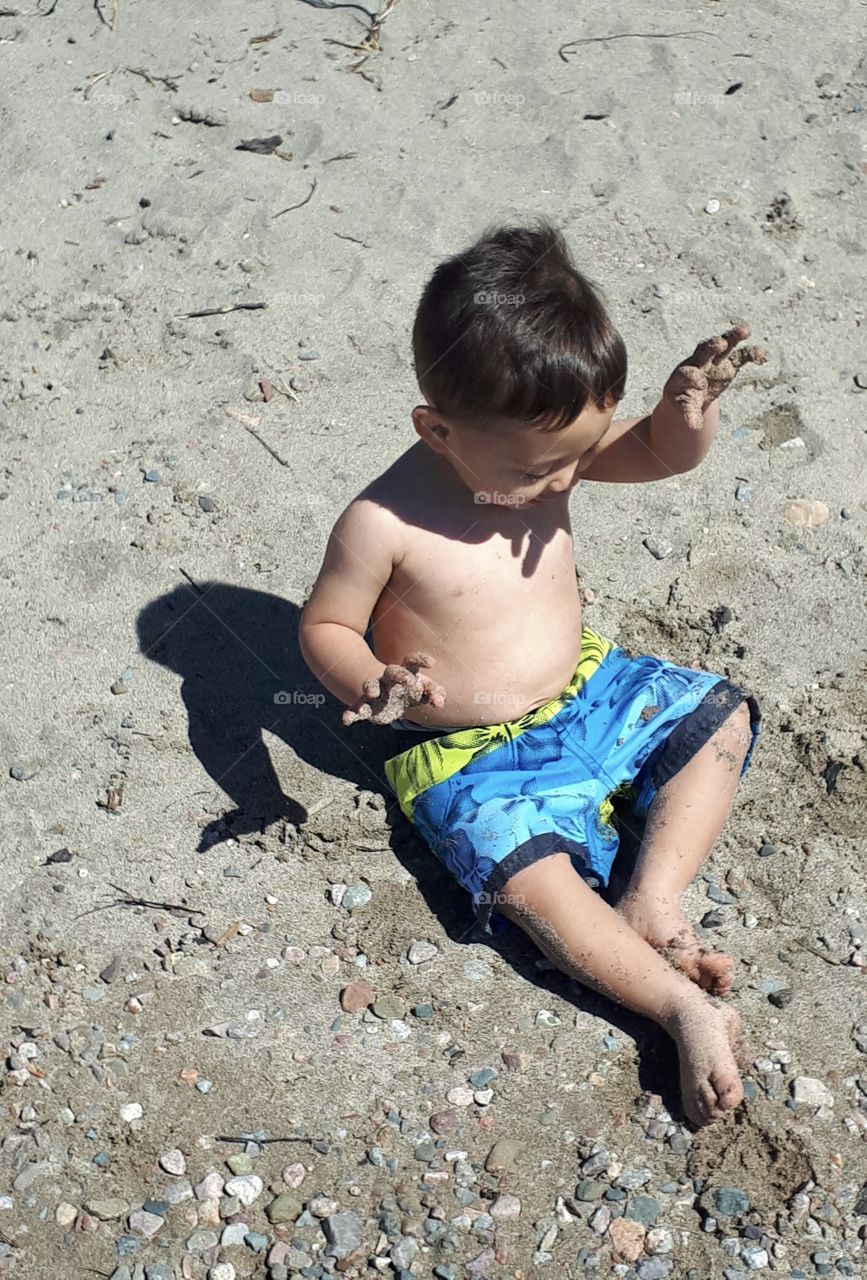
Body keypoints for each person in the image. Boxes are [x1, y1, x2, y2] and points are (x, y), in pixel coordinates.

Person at [300, 220, 765, 1125]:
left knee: (718, 717)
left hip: (586, 689)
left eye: (574, 458)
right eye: (540, 468)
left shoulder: (543, 449)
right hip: (469, 752)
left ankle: (651, 899)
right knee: (527, 879)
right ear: (436, 430)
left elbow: (661, 456)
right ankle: (677, 1007)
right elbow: (323, 623)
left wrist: (684, 410)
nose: (564, 480)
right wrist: (371, 678)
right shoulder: (383, 523)